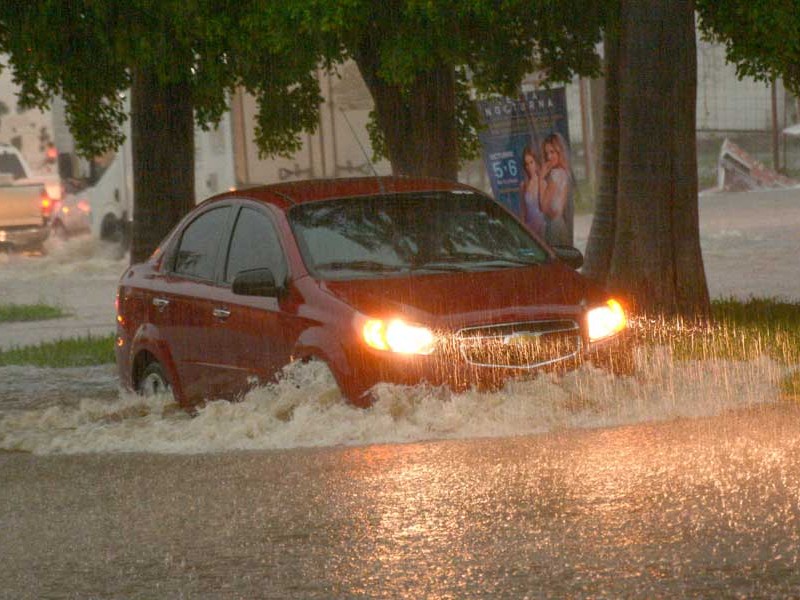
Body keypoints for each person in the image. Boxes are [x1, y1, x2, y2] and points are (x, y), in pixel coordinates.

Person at [538, 132, 573, 245]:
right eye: (547, 153)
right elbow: (560, 208)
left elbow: (543, 207)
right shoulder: (565, 173)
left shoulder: (554, 174)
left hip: (553, 225)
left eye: (552, 152)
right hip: (560, 224)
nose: (549, 157)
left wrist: (541, 179)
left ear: (559, 151)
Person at [518, 145, 546, 237]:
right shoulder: (524, 185)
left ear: (536, 162)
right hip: (529, 228)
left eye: (531, 162)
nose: (529, 166)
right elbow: (523, 211)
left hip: (542, 227)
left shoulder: (543, 183)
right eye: (526, 164)